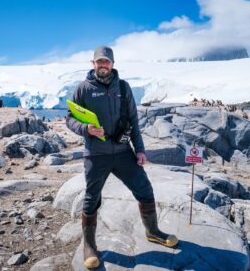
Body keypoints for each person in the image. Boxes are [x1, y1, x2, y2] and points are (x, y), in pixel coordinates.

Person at [66, 46, 178, 269]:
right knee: (91, 199)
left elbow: (134, 123)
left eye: (107, 62)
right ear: (93, 63)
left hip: (123, 152)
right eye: (99, 62)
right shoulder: (83, 89)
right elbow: (69, 119)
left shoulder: (124, 88)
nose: (103, 65)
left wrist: (140, 150)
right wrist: (86, 128)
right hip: (96, 155)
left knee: (144, 189)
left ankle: (153, 231)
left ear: (113, 64)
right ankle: (89, 245)